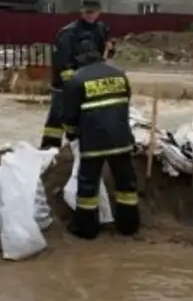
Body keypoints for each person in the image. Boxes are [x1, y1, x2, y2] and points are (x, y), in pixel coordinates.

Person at [61, 39, 139, 240]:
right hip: (121, 139)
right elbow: (124, 106)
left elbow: (69, 117)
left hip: (93, 142)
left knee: (88, 186)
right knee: (125, 183)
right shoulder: (120, 75)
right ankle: (129, 226)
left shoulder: (76, 81)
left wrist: (71, 134)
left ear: (79, 58)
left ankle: (87, 229)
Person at [40, 0, 115, 150]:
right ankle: (49, 149)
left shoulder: (102, 29)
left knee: (81, 118)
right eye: (87, 12)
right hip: (65, 86)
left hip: (88, 83)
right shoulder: (69, 33)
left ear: (98, 12)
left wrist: (111, 49)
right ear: (81, 11)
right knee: (58, 117)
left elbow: (105, 54)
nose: (89, 15)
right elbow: (62, 61)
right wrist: (71, 82)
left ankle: (75, 148)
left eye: (92, 12)